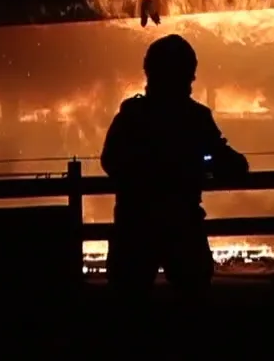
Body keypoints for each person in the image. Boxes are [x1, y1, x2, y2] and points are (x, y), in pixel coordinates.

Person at [99, 34, 249, 300]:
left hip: (135, 226)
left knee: (127, 308)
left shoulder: (132, 116)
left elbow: (110, 161)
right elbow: (233, 164)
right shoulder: (195, 118)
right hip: (181, 225)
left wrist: (142, 176)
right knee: (192, 302)